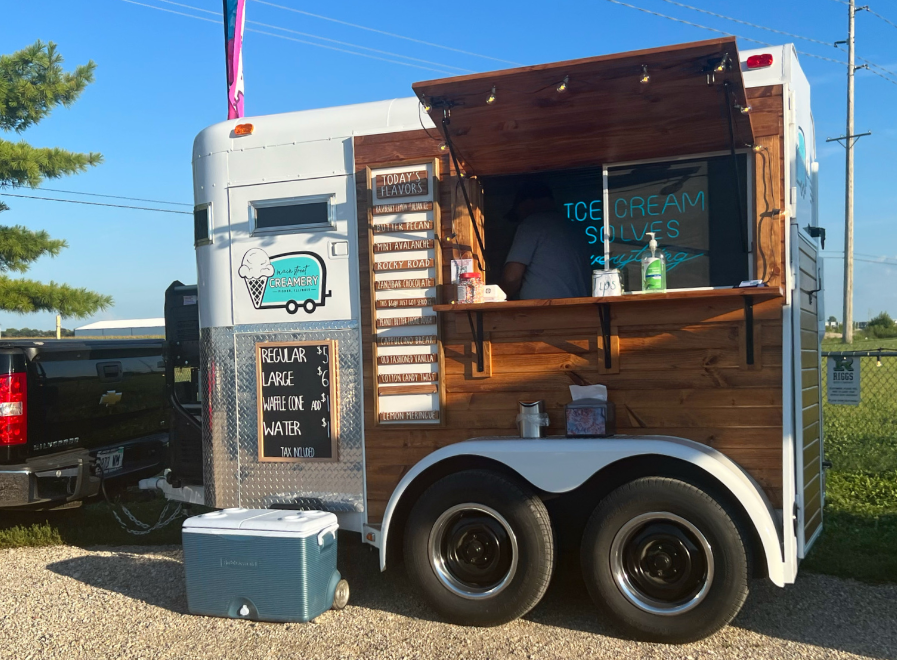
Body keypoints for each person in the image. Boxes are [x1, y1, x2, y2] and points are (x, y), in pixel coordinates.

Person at [500, 182, 591, 300]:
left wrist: (496, 298)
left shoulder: (532, 224)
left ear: (527, 202)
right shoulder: (575, 228)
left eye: (518, 212)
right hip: (581, 309)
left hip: (546, 312)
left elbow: (512, 278)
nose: (520, 217)